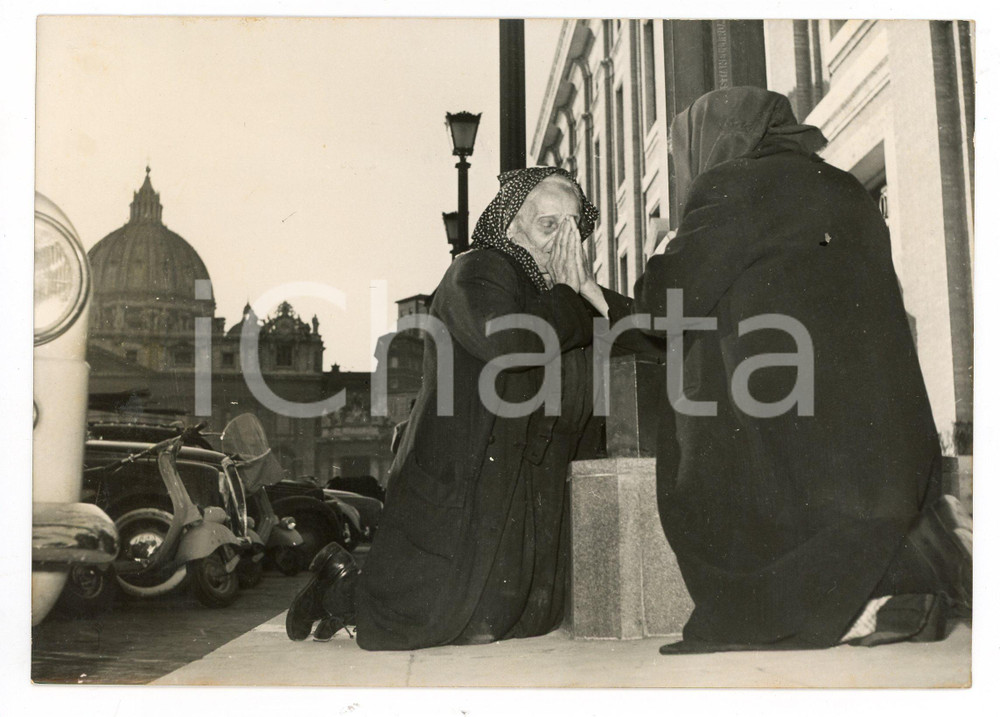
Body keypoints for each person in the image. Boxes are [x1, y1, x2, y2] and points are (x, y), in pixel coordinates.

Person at [634, 86, 972, 653]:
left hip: (783, 420)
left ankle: (844, 610)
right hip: (877, 435)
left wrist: (660, 251)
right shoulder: (844, 187)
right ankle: (902, 587)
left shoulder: (730, 184)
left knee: (715, 478)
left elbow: (665, 303)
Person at [286, 167, 635, 648]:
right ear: (511, 225)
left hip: (522, 484)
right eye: (549, 225)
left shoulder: (565, 290)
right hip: (464, 476)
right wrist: (582, 299)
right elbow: (510, 338)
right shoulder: (479, 270)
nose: (562, 242)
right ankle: (337, 585)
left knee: (502, 619)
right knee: (421, 614)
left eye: (573, 228)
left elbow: (646, 325)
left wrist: (606, 301)